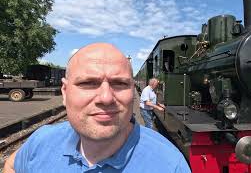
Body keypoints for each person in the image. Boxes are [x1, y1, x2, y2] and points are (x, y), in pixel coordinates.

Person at [4, 43, 191, 173]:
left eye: (119, 84)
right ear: (65, 91)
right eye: (88, 83)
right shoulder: (40, 141)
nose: (106, 97)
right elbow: (11, 167)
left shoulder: (170, 164)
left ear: (132, 90)